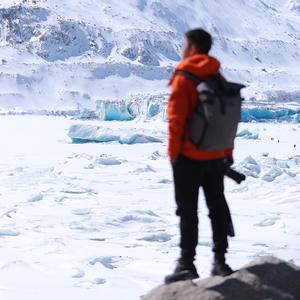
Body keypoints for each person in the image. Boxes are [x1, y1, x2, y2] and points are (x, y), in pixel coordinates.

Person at [165, 28, 235, 283]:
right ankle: (220, 261)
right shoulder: (217, 76)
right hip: (215, 154)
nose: (182, 49)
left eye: (184, 44)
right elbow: (225, 118)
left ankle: (186, 263)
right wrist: (226, 152)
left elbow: (176, 120)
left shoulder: (184, 76)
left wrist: (173, 154)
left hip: (188, 157)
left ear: (192, 47)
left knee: (188, 211)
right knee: (216, 207)